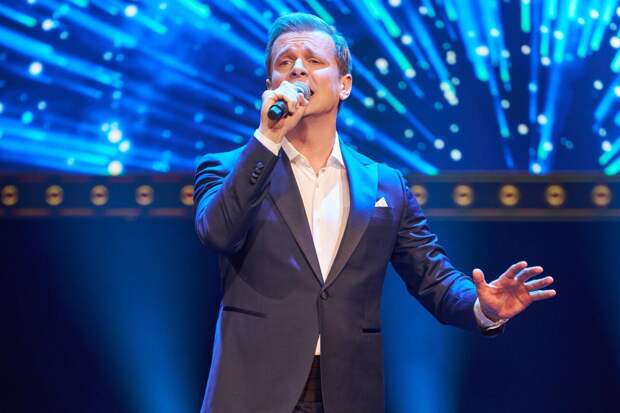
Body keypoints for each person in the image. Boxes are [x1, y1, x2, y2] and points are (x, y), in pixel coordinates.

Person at [193, 12, 556, 413]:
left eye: (313, 60)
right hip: (252, 393)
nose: (297, 68)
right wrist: (268, 137)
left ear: (344, 85)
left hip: (347, 392)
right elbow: (218, 233)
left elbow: (432, 277)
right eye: (285, 62)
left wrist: (483, 308)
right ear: (270, 85)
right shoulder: (229, 169)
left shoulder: (385, 185)